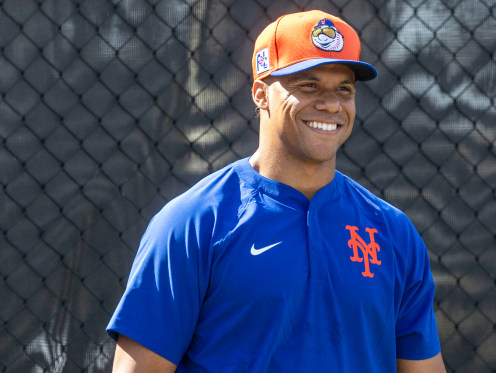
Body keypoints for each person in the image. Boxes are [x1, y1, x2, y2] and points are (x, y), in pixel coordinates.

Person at [107, 10, 446, 373]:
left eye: (344, 89)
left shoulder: (393, 232)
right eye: (309, 85)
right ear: (260, 94)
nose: (331, 104)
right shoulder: (192, 223)